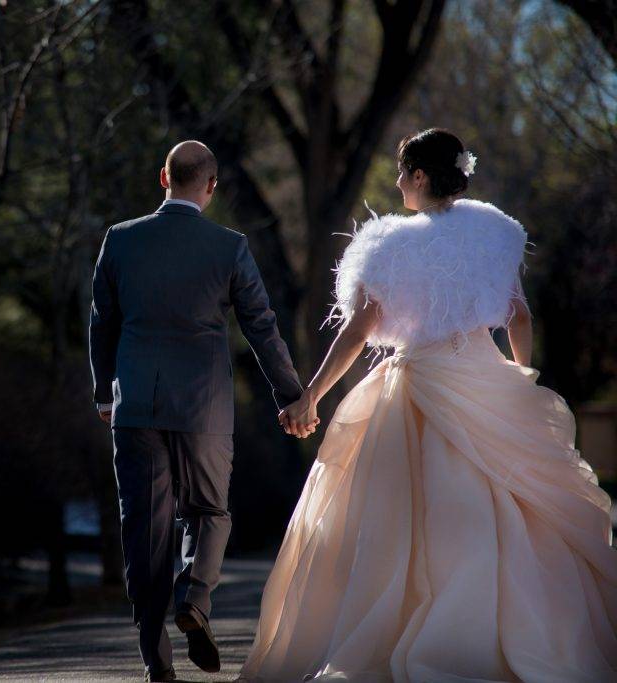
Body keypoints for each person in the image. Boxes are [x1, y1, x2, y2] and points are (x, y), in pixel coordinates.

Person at [241, 127, 617, 682]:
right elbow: (518, 316)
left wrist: (311, 395)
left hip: (419, 385)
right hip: (483, 376)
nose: (396, 184)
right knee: (503, 509)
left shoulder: (390, 244)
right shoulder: (495, 233)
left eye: (401, 173)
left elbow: (359, 330)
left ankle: (410, 631)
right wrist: (517, 378)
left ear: (419, 176)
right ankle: (516, 633)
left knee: (401, 520)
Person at [88, 140, 307, 682]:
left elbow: (101, 323)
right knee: (209, 511)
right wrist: (291, 395)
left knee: (143, 527)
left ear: (163, 176)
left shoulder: (120, 240)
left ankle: (154, 659)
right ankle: (194, 597)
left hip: (135, 403)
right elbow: (261, 326)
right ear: (210, 186)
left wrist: (102, 392)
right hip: (204, 408)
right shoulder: (229, 247)